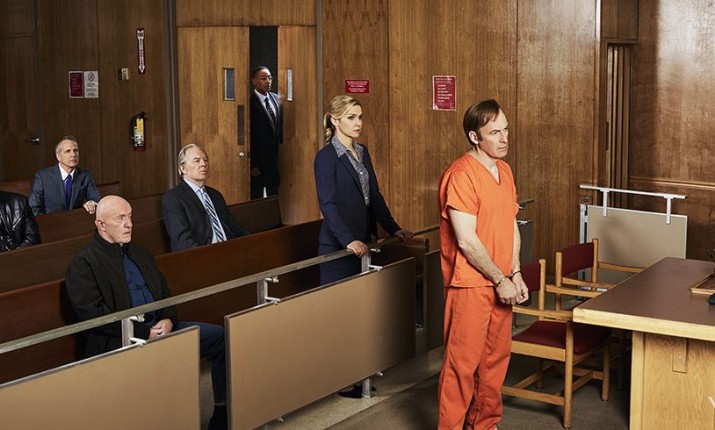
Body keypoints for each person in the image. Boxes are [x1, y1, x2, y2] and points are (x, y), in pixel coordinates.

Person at [65, 195, 228, 429]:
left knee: (219, 337)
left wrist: (168, 319)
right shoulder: (83, 264)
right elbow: (94, 316)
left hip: (161, 329)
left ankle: (221, 416)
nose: (129, 224)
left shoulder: (141, 253)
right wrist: (145, 333)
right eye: (121, 218)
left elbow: (165, 292)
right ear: (101, 224)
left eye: (130, 217)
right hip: (120, 341)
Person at [437, 99, 529, 430]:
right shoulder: (461, 175)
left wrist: (515, 272)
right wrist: (500, 279)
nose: (504, 139)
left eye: (506, 130)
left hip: (502, 280)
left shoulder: (505, 171)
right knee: (461, 367)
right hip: (471, 284)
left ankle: (484, 425)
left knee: (494, 362)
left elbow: (511, 224)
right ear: (475, 137)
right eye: (494, 133)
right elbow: (466, 240)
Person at [314, 95, 413, 284]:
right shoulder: (326, 157)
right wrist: (348, 240)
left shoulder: (362, 151)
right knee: (341, 300)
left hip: (365, 242)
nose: (358, 123)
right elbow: (327, 204)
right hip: (338, 246)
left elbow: (374, 196)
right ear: (335, 120)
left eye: (360, 117)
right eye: (351, 117)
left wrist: (394, 229)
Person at [162, 143, 249, 252]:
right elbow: (183, 241)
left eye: (205, 160)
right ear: (183, 169)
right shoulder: (173, 199)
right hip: (202, 255)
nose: (203, 164)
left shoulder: (215, 195)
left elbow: (234, 227)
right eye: (196, 161)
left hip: (228, 250)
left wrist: (252, 242)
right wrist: (207, 256)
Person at [28, 135, 101, 216]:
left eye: (75, 150)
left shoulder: (84, 175)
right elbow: (33, 207)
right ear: (58, 156)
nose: (73, 154)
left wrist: (90, 204)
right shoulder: (42, 177)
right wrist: (47, 221)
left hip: (76, 221)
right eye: (68, 151)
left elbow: (96, 200)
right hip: (51, 221)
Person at [249, 66, 282, 199]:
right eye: (263, 79)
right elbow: (250, 136)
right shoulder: (249, 102)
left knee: (275, 195)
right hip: (259, 159)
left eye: (269, 78)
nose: (268, 81)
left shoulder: (276, 98)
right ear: (254, 81)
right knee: (257, 197)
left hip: (276, 160)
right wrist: (253, 164)